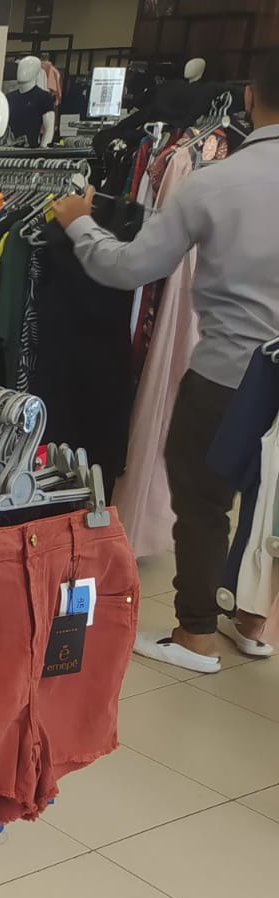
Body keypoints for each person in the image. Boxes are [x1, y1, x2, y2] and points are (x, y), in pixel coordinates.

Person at [53, 52, 279, 674]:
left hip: (230, 374)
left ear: (250, 96)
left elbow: (130, 267)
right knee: (273, 503)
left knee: (203, 500)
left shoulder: (214, 183)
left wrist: (80, 224)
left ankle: (196, 635)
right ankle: (253, 622)